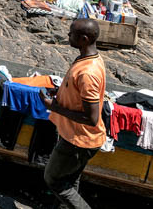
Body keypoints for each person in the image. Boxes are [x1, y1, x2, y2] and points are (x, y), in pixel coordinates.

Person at [40, 19, 106, 209]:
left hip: (79, 140)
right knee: (69, 181)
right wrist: (60, 92)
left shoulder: (88, 73)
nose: (68, 36)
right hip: (77, 137)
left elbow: (91, 119)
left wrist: (54, 107)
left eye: (71, 34)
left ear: (84, 39)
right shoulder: (88, 59)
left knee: (54, 180)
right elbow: (77, 92)